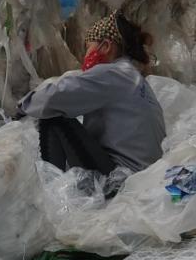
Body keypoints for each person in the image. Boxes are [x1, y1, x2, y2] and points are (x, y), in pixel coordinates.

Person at [18, 13, 166, 176]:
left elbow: (53, 97)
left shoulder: (112, 74)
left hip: (119, 179)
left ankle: (50, 189)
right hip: (144, 177)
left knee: (52, 116)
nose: (85, 56)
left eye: (88, 47)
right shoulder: (134, 77)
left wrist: (21, 107)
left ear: (106, 46)